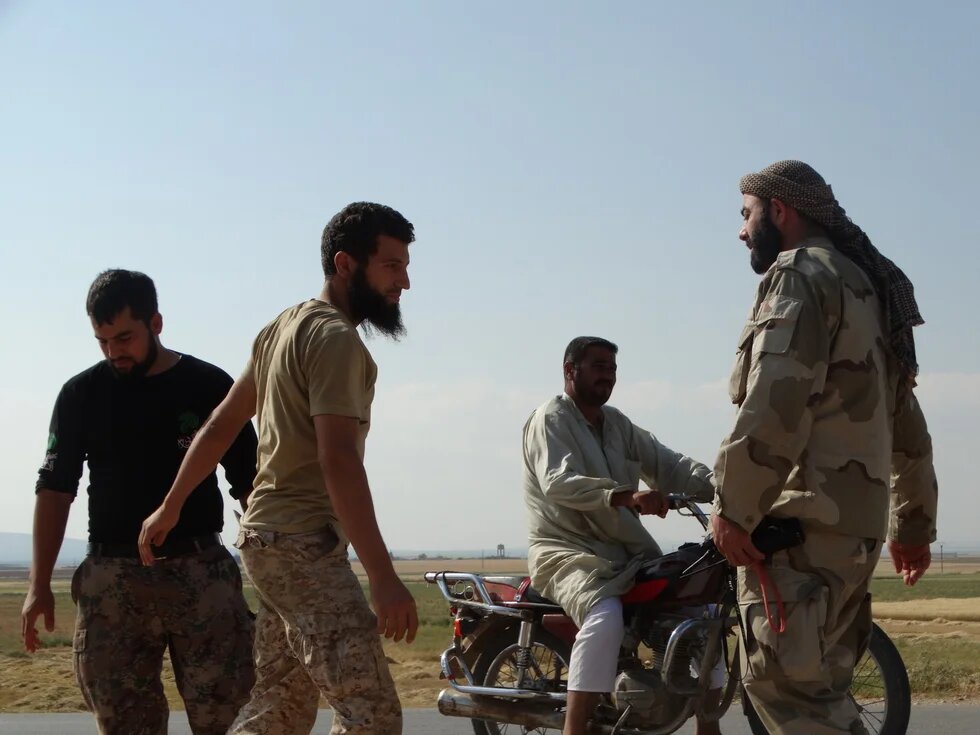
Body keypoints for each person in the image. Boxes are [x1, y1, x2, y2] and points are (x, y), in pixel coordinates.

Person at [139, 202, 419, 735]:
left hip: (265, 544)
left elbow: (221, 425)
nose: (403, 282)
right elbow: (337, 459)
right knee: (371, 716)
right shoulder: (334, 339)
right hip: (301, 546)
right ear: (345, 264)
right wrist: (383, 578)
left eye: (405, 266)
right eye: (391, 266)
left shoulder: (282, 328)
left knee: (279, 710)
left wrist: (170, 506)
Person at [710, 160, 939, 734]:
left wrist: (733, 509)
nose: (741, 230)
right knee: (821, 693)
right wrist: (912, 525)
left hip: (802, 536)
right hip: (852, 535)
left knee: (790, 694)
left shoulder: (801, 275)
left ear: (779, 210)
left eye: (747, 214)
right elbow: (907, 426)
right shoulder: (865, 288)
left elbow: (776, 402)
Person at [21, 269, 257, 735]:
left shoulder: (208, 385)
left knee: (230, 720)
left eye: (124, 338)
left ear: (156, 323)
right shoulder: (80, 395)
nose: (114, 352)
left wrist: (278, 568)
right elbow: (54, 490)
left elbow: (251, 484)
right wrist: (38, 583)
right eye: (102, 341)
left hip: (202, 577)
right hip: (113, 583)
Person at [523, 336, 719, 735]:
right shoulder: (551, 419)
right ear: (570, 370)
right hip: (567, 551)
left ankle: (708, 727)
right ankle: (574, 729)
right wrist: (625, 495)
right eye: (598, 367)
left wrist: (728, 488)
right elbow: (559, 481)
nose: (608, 376)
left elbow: (670, 465)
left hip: (624, 553)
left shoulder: (617, 425)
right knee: (605, 615)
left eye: (612, 369)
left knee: (701, 615)